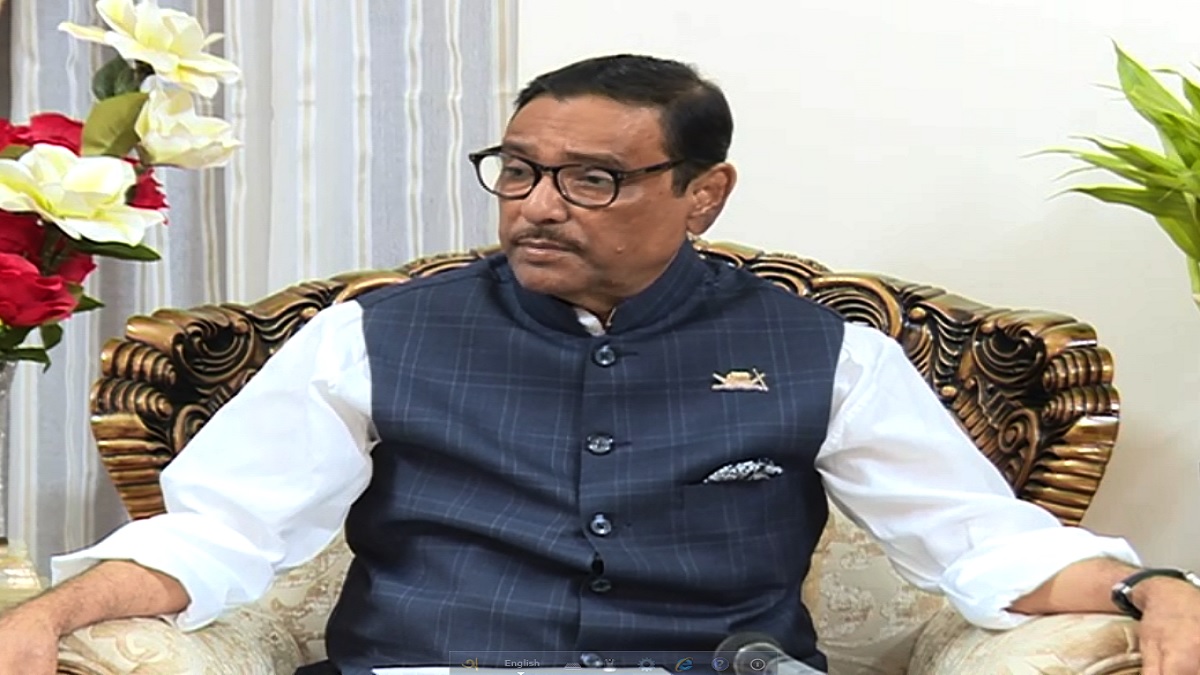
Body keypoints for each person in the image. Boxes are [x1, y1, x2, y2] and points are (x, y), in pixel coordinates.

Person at [1, 54, 1199, 675]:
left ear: (704, 193)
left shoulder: (826, 351)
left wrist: (1155, 588)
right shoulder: (375, 333)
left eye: (592, 179)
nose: (536, 204)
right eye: (519, 169)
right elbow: (219, 533)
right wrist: (52, 614)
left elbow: (983, 548)